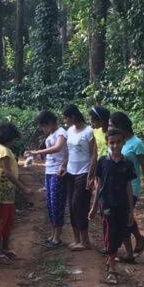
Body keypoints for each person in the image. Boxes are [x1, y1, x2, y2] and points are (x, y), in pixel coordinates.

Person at [89, 128, 137, 284]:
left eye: (118, 142)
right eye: (112, 143)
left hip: (122, 204)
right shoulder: (103, 162)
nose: (115, 146)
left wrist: (131, 210)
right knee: (110, 231)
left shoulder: (127, 164)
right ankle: (112, 267)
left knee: (120, 233)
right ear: (107, 143)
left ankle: (111, 258)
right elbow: (99, 186)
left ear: (123, 142)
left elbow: (128, 188)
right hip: (106, 203)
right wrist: (94, 206)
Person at [109, 111, 144, 254]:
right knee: (124, 215)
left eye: (111, 125)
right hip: (116, 187)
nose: (108, 127)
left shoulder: (137, 143)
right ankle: (139, 238)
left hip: (132, 187)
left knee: (123, 218)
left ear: (120, 125)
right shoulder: (115, 141)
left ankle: (127, 251)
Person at [0, 121, 32, 263]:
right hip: (3, 189)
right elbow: (8, 173)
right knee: (1, 220)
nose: (14, 141)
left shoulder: (3, 149)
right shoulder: (4, 151)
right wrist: (23, 187)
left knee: (8, 220)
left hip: (7, 190)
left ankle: (5, 248)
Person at [25, 111, 67, 248]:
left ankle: (57, 237)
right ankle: (53, 234)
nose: (42, 130)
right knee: (50, 204)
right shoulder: (52, 134)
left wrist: (38, 152)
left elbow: (57, 148)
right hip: (49, 171)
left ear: (49, 123)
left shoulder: (61, 132)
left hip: (58, 172)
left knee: (57, 204)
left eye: (42, 126)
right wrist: (35, 156)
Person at [62, 104, 97, 251]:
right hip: (70, 172)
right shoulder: (69, 131)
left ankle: (85, 241)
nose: (65, 121)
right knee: (71, 205)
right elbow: (68, 151)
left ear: (73, 116)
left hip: (83, 172)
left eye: (66, 118)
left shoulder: (89, 132)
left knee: (80, 205)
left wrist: (91, 174)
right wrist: (64, 166)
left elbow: (94, 153)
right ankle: (77, 239)